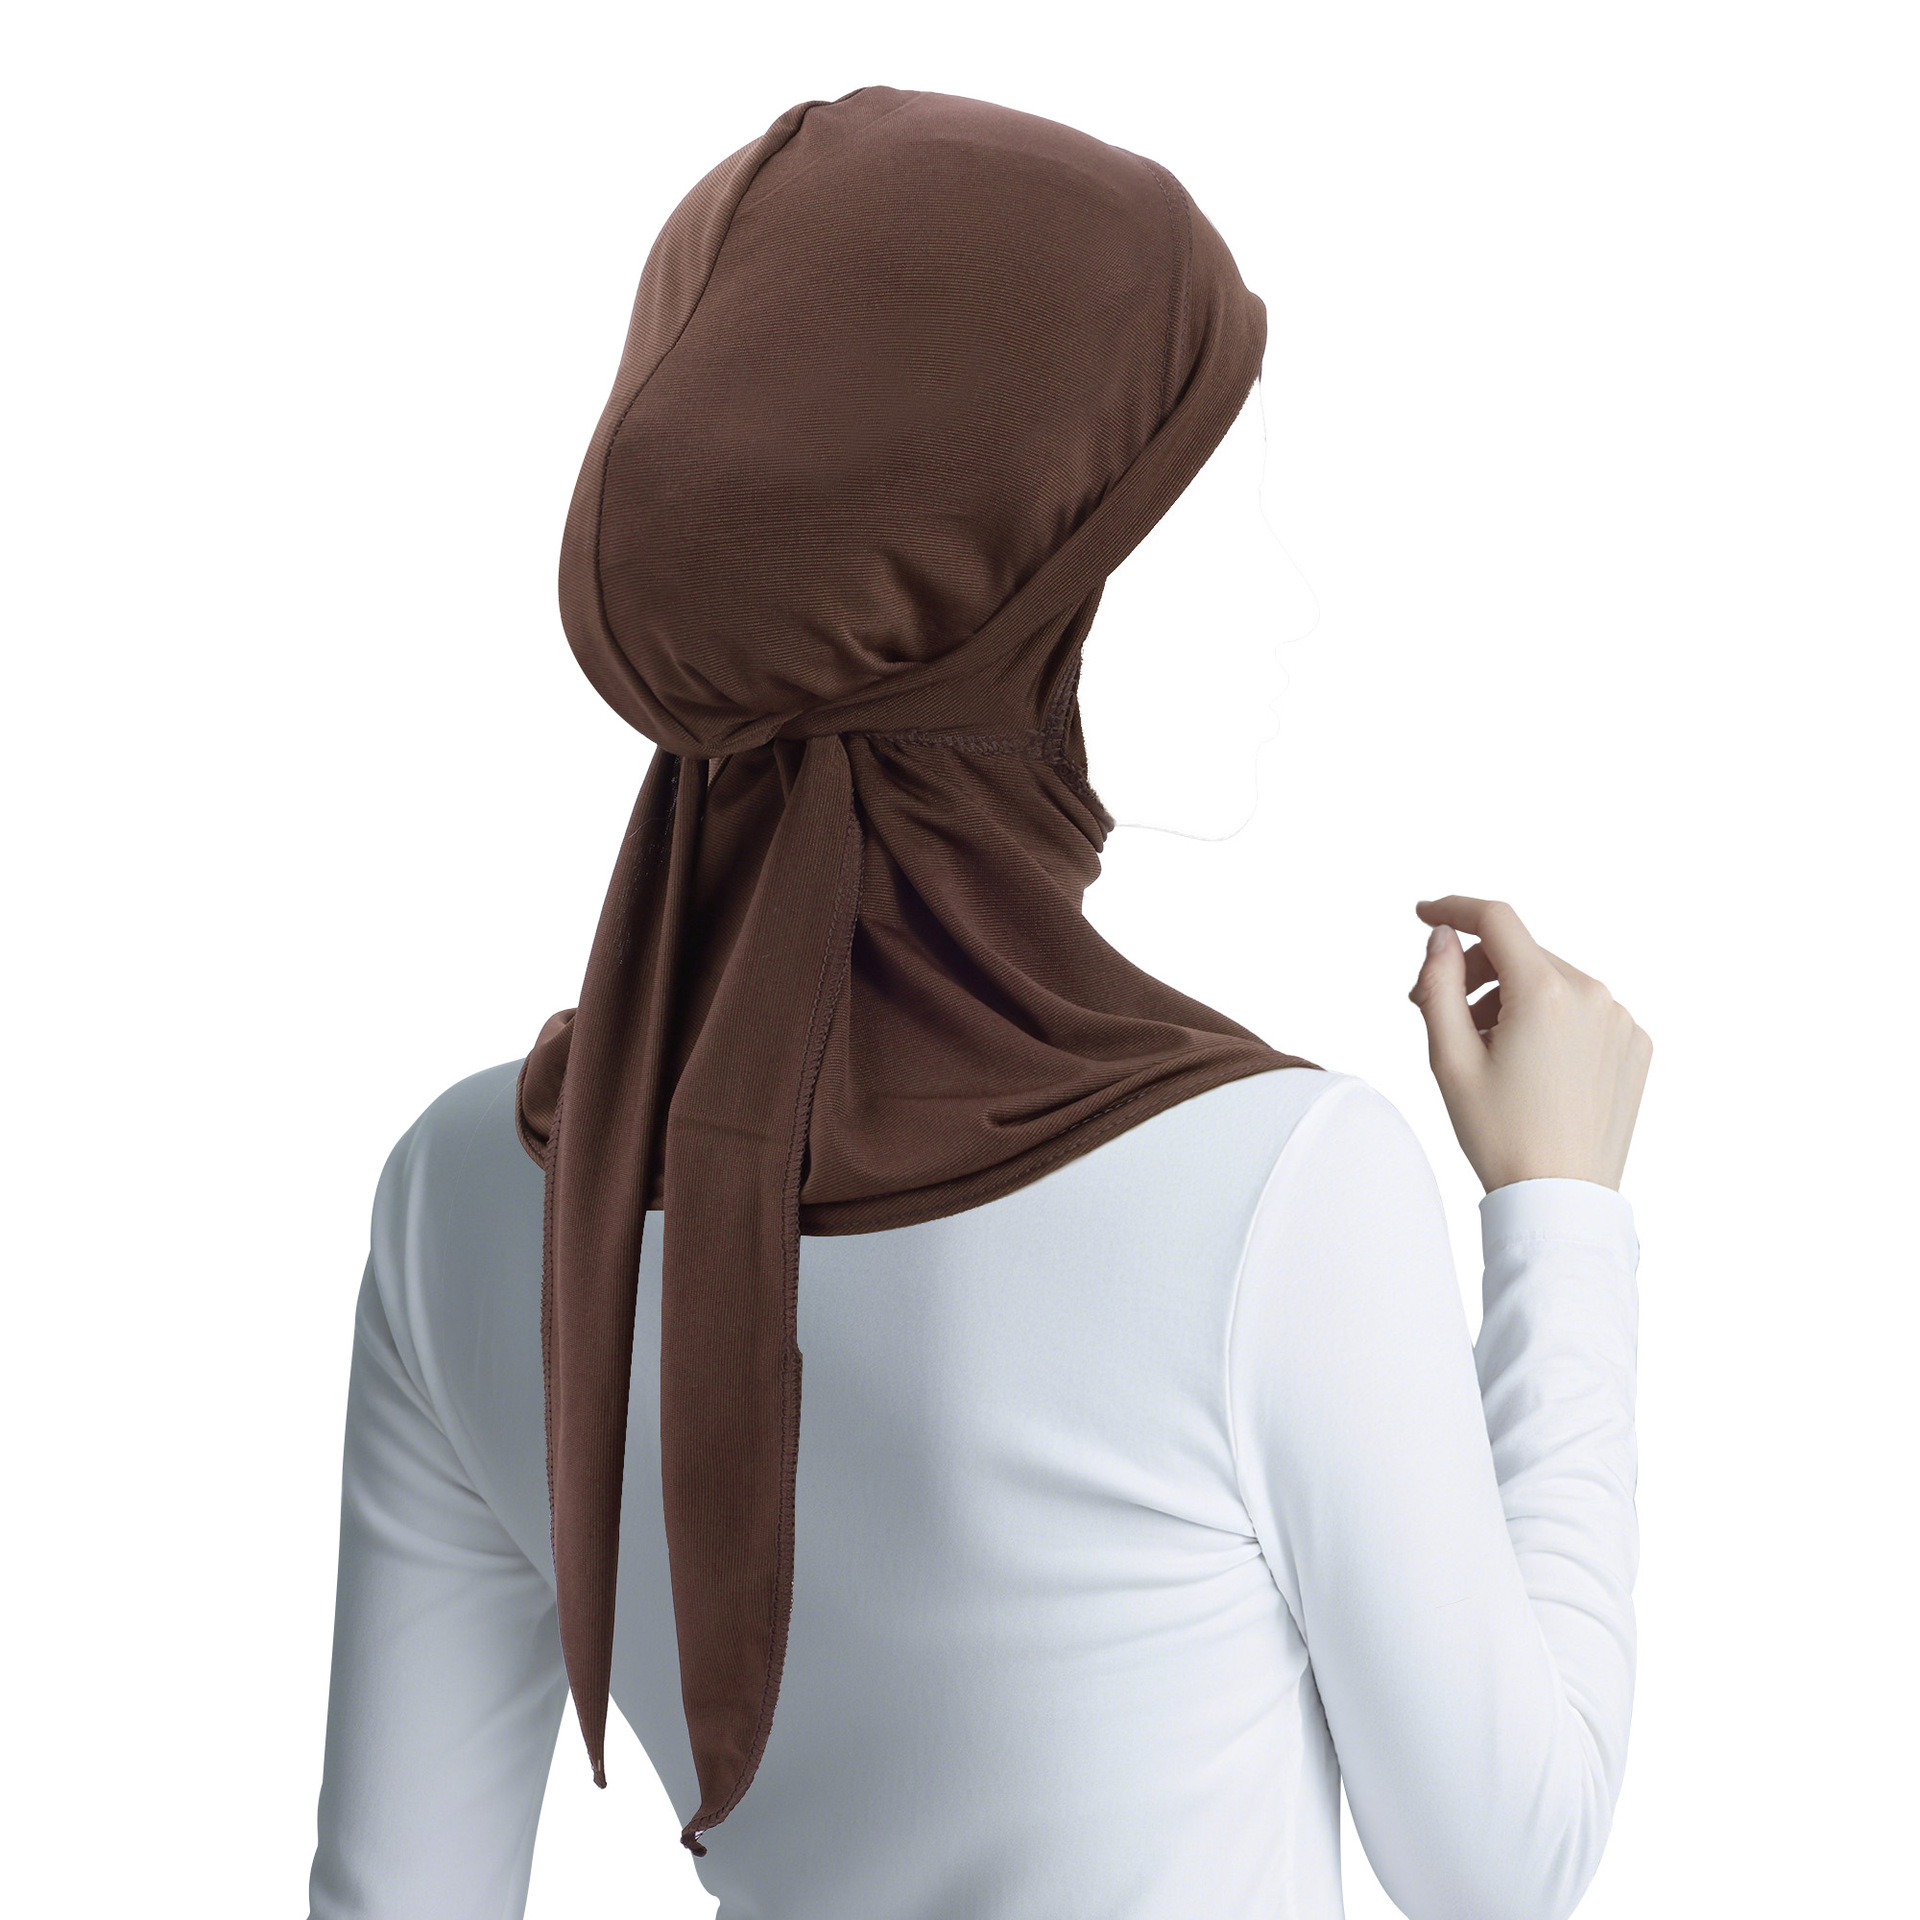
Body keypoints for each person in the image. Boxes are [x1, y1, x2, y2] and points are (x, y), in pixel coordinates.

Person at [307, 87, 1650, 1920]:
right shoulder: (1276, 1188)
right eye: (1168, 520)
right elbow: (1507, 1864)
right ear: (1012, 625)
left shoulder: (471, 1186)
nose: (1284, 598)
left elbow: (395, 1899)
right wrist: (1561, 1213)